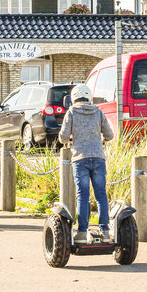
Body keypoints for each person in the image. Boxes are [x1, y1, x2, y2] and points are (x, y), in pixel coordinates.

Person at [59, 84, 115, 244]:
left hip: (80, 159)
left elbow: (63, 136)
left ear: (73, 98)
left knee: (83, 196)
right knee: (101, 195)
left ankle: (82, 233)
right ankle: (104, 231)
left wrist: (70, 139)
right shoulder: (98, 111)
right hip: (98, 157)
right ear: (89, 97)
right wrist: (99, 139)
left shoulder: (71, 112)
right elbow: (110, 135)